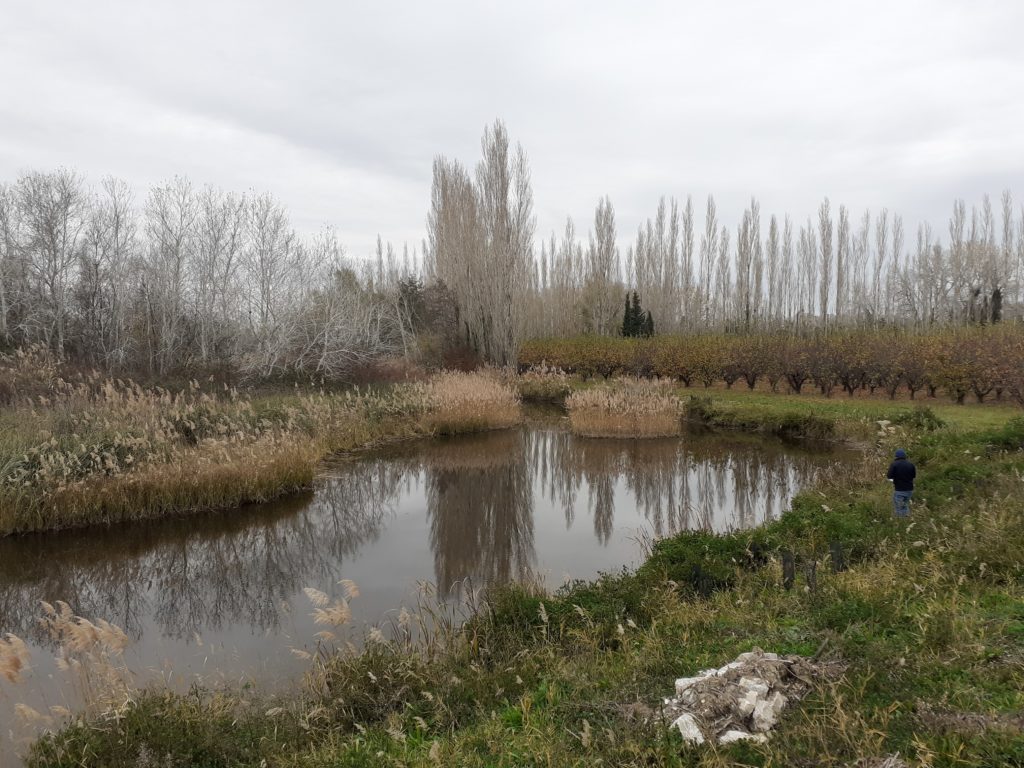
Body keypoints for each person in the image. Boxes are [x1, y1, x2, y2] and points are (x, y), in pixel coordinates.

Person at [886, 448, 916, 517]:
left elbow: (889, 476)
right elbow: (913, 476)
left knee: (898, 508)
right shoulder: (911, 464)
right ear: (905, 456)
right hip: (910, 490)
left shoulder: (894, 464)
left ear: (896, 456)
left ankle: (901, 523)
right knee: (905, 505)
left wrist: (894, 479)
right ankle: (906, 520)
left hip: (899, 490)